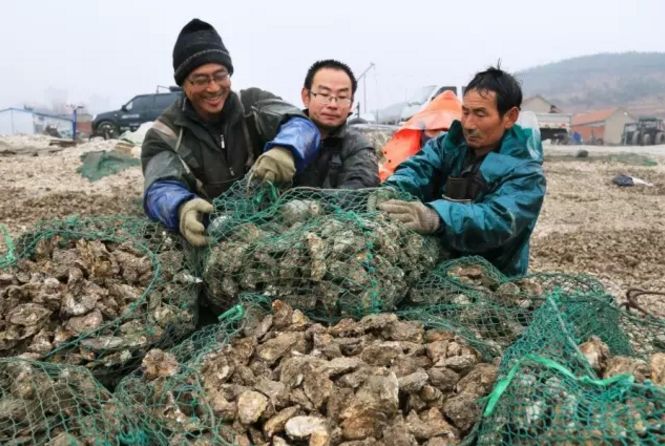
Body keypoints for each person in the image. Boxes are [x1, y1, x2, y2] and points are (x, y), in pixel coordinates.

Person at [141, 18, 321, 246]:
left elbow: (301, 124)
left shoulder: (254, 104)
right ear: (183, 84)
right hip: (210, 239)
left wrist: (286, 150)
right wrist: (181, 208)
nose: (214, 87)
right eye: (200, 80)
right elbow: (160, 188)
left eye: (220, 75)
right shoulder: (164, 134)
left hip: (273, 232)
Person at [379, 67, 546, 276]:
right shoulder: (447, 146)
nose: (468, 124)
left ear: (510, 116)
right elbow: (418, 168)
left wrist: (436, 217)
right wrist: (394, 188)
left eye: (480, 114)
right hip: (438, 268)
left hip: (494, 279)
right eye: (465, 111)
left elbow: (498, 220)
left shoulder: (527, 174)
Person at [295, 59, 379, 188]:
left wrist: (313, 207)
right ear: (306, 96)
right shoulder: (283, 134)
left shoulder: (357, 146)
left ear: (351, 103)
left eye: (342, 97)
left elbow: (359, 188)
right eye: (324, 94)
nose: (333, 105)